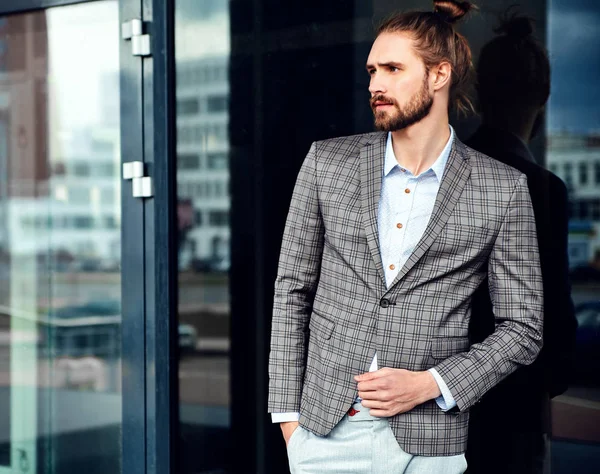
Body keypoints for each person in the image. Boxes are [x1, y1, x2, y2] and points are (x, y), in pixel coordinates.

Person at [268, 1, 544, 472]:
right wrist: (290, 423)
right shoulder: (326, 163)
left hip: (430, 445)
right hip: (323, 435)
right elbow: (292, 289)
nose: (376, 84)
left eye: (394, 69)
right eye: (373, 70)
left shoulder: (503, 188)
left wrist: (432, 384)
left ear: (439, 75)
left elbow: (524, 329)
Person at [464, 11, 577, 474]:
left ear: (478, 94)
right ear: (543, 99)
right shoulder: (542, 190)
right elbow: (556, 333)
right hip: (513, 422)